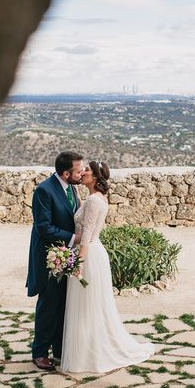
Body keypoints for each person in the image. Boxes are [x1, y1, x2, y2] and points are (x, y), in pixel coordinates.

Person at [60, 160, 155, 373]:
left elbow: (87, 234)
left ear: (95, 177)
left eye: (87, 170)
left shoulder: (94, 200)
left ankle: (88, 356)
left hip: (89, 254)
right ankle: (87, 351)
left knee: (86, 309)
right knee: (89, 307)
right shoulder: (98, 197)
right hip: (93, 252)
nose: (82, 172)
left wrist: (78, 263)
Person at [26, 151, 84, 371]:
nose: (82, 173)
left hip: (66, 256)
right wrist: (73, 238)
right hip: (49, 257)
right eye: (78, 170)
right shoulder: (44, 191)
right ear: (66, 172)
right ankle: (39, 352)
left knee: (63, 304)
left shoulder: (72, 188)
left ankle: (59, 349)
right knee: (48, 305)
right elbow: (44, 227)